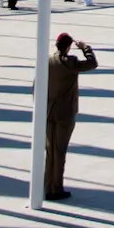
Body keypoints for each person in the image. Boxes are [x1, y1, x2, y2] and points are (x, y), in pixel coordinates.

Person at [45, 32, 98, 200]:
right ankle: (56, 188)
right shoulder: (70, 62)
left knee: (50, 150)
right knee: (59, 151)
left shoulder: (48, 60)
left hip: (48, 111)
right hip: (64, 112)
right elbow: (92, 63)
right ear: (68, 47)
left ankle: (47, 186)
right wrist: (85, 48)